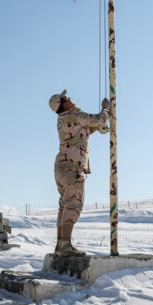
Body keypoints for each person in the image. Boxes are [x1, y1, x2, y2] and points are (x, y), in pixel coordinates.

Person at [49, 90, 109, 257]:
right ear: (64, 105)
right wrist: (105, 110)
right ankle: (66, 246)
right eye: (65, 98)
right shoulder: (74, 114)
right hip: (72, 168)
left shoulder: (63, 119)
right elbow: (98, 120)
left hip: (61, 168)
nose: (69, 98)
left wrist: (97, 127)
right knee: (73, 205)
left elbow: (86, 130)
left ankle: (61, 245)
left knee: (64, 205)